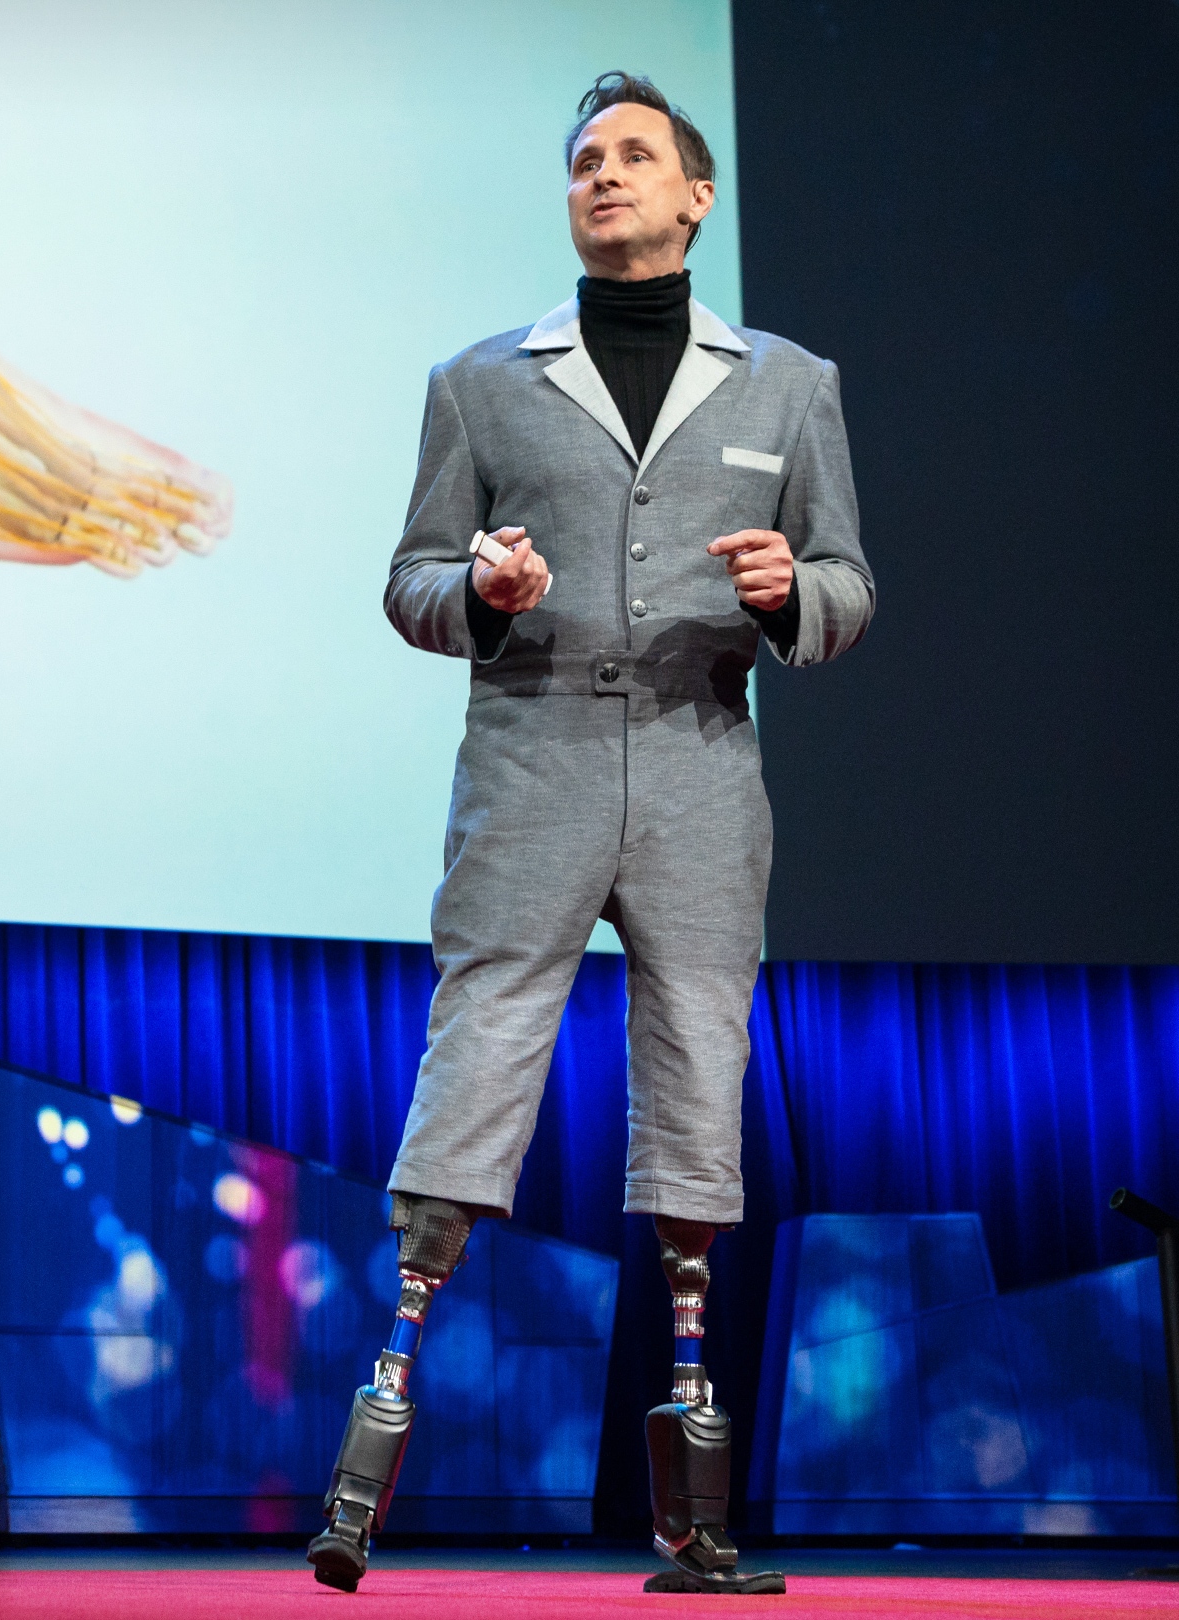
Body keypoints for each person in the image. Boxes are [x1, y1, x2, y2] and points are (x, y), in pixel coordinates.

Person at [306, 70, 873, 1597]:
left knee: (701, 1050)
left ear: (697, 197)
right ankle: (378, 1425)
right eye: (583, 163)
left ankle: (694, 1489)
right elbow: (410, 580)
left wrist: (789, 599)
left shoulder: (788, 384)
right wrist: (475, 593)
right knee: (481, 1039)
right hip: (534, 750)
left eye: (633, 158)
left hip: (700, 752)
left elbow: (848, 588)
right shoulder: (484, 381)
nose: (604, 177)